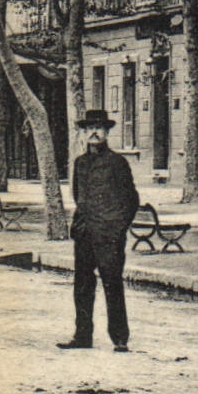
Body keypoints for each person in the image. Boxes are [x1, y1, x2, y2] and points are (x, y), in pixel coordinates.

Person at [58, 109, 140, 352]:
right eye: (89, 128)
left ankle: (120, 338)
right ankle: (82, 336)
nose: (94, 132)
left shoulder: (117, 162)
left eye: (99, 128)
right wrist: (81, 223)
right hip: (84, 234)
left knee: (112, 285)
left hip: (108, 236)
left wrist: (117, 228)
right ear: (83, 133)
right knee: (82, 286)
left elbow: (131, 200)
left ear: (106, 132)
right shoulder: (79, 163)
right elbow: (77, 195)